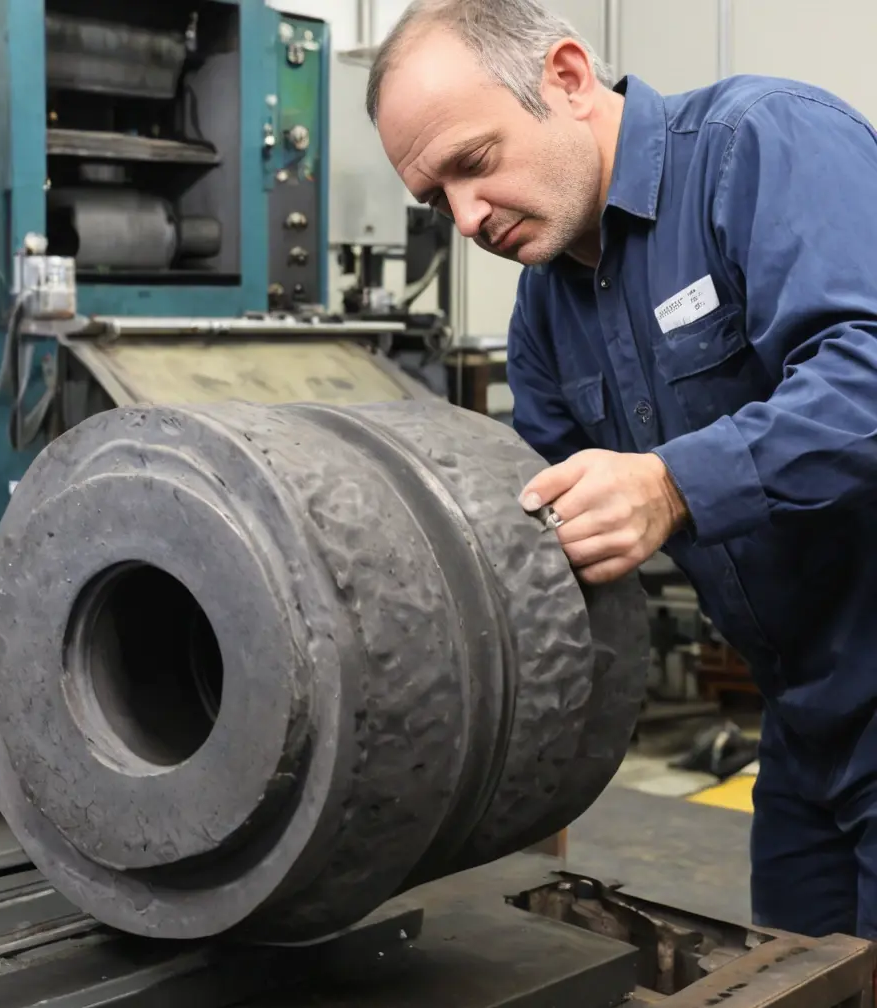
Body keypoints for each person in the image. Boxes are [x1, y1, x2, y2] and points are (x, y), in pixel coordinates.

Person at [366, 0, 877, 941]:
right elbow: (543, 539)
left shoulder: (759, 146)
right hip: (804, 727)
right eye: (436, 200)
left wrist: (674, 483)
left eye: (473, 162)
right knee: (803, 979)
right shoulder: (544, 316)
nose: (467, 217)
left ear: (566, 77)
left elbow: (867, 372)